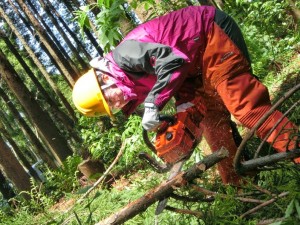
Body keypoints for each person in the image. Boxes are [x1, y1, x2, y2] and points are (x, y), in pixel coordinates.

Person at [72, 6, 299, 185]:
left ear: (104, 79)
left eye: (110, 99)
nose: (117, 103)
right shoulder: (127, 84)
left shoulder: (125, 54)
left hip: (210, 34)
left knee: (246, 108)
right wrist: (182, 116)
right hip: (193, 66)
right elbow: (176, 79)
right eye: (112, 107)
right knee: (212, 124)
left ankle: (296, 148)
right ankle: (241, 185)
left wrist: (153, 104)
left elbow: (172, 61)